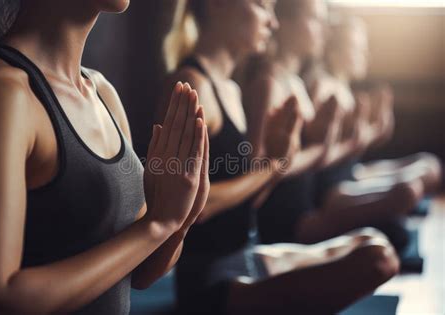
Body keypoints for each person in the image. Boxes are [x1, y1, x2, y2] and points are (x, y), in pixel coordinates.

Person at [157, 1, 399, 314]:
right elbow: (188, 207)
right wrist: (273, 166)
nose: (272, 23)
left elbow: (250, 201)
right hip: (210, 279)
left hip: (248, 253)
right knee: (376, 260)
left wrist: (277, 159)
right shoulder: (193, 86)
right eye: (262, 7)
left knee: (373, 243)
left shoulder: (230, 89)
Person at [0, 0, 210, 314]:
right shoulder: (1, 92)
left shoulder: (103, 93)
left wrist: (179, 221)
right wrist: (156, 225)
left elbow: (138, 273)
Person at [240, 0, 428, 245]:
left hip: (308, 205)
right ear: (284, 24)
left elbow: (313, 155)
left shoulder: (294, 82)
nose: (325, 31)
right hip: (288, 218)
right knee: (397, 223)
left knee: (398, 227)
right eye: (315, 20)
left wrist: (354, 137)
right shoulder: (268, 83)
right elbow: (256, 171)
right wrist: (335, 146)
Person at [304, 15, 443, 203]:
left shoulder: (343, 88)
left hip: (351, 171)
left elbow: (354, 146)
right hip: (332, 183)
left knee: (430, 165)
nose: (365, 56)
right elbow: (321, 149)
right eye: (357, 49)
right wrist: (364, 135)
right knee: (409, 190)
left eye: (365, 49)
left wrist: (378, 131)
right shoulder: (323, 86)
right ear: (333, 51)